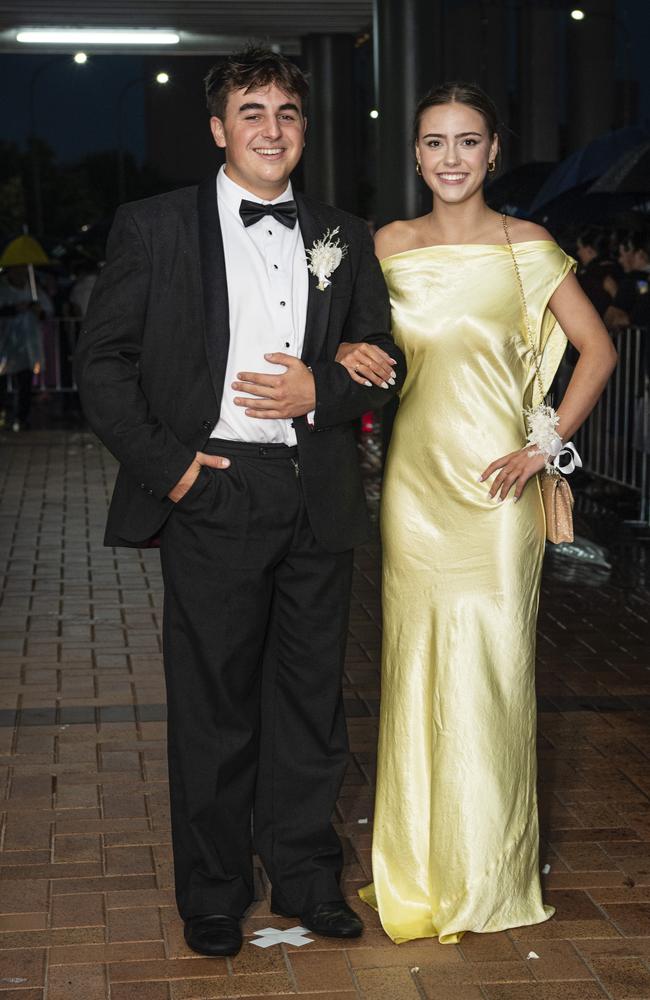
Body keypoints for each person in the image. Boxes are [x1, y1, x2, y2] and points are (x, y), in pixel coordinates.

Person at [75, 46, 405, 958]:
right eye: (252, 112)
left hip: (316, 490)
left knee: (310, 704)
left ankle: (306, 878)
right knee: (215, 705)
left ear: (304, 129)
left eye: (288, 113)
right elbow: (100, 365)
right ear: (220, 130)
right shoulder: (153, 228)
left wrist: (324, 394)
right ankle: (215, 892)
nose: (272, 128)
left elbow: (384, 357)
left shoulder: (343, 232)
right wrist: (173, 469)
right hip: (213, 488)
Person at [339, 81, 617, 945]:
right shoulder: (387, 246)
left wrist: (545, 444)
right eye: (433, 143)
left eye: (467, 142)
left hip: (500, 494)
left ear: (493, 151)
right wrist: (346, 347)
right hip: (416, 493)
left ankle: (490, 874)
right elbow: (350, 337)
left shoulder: (528, 246)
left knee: (493, 673)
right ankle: (419, 871)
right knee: (413, 672)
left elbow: (598, 348)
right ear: (415, 154)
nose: (450, 158)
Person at [0, 265, 51, 431]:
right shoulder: (3, 289)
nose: (20, 273)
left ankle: (22, 417)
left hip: (28, 345)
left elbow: (47, 312)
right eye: (17, 270)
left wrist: (39, 311)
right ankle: (5, 413)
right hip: (6, 343)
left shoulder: (34, 290)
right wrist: (13, 309)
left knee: (25, 383)